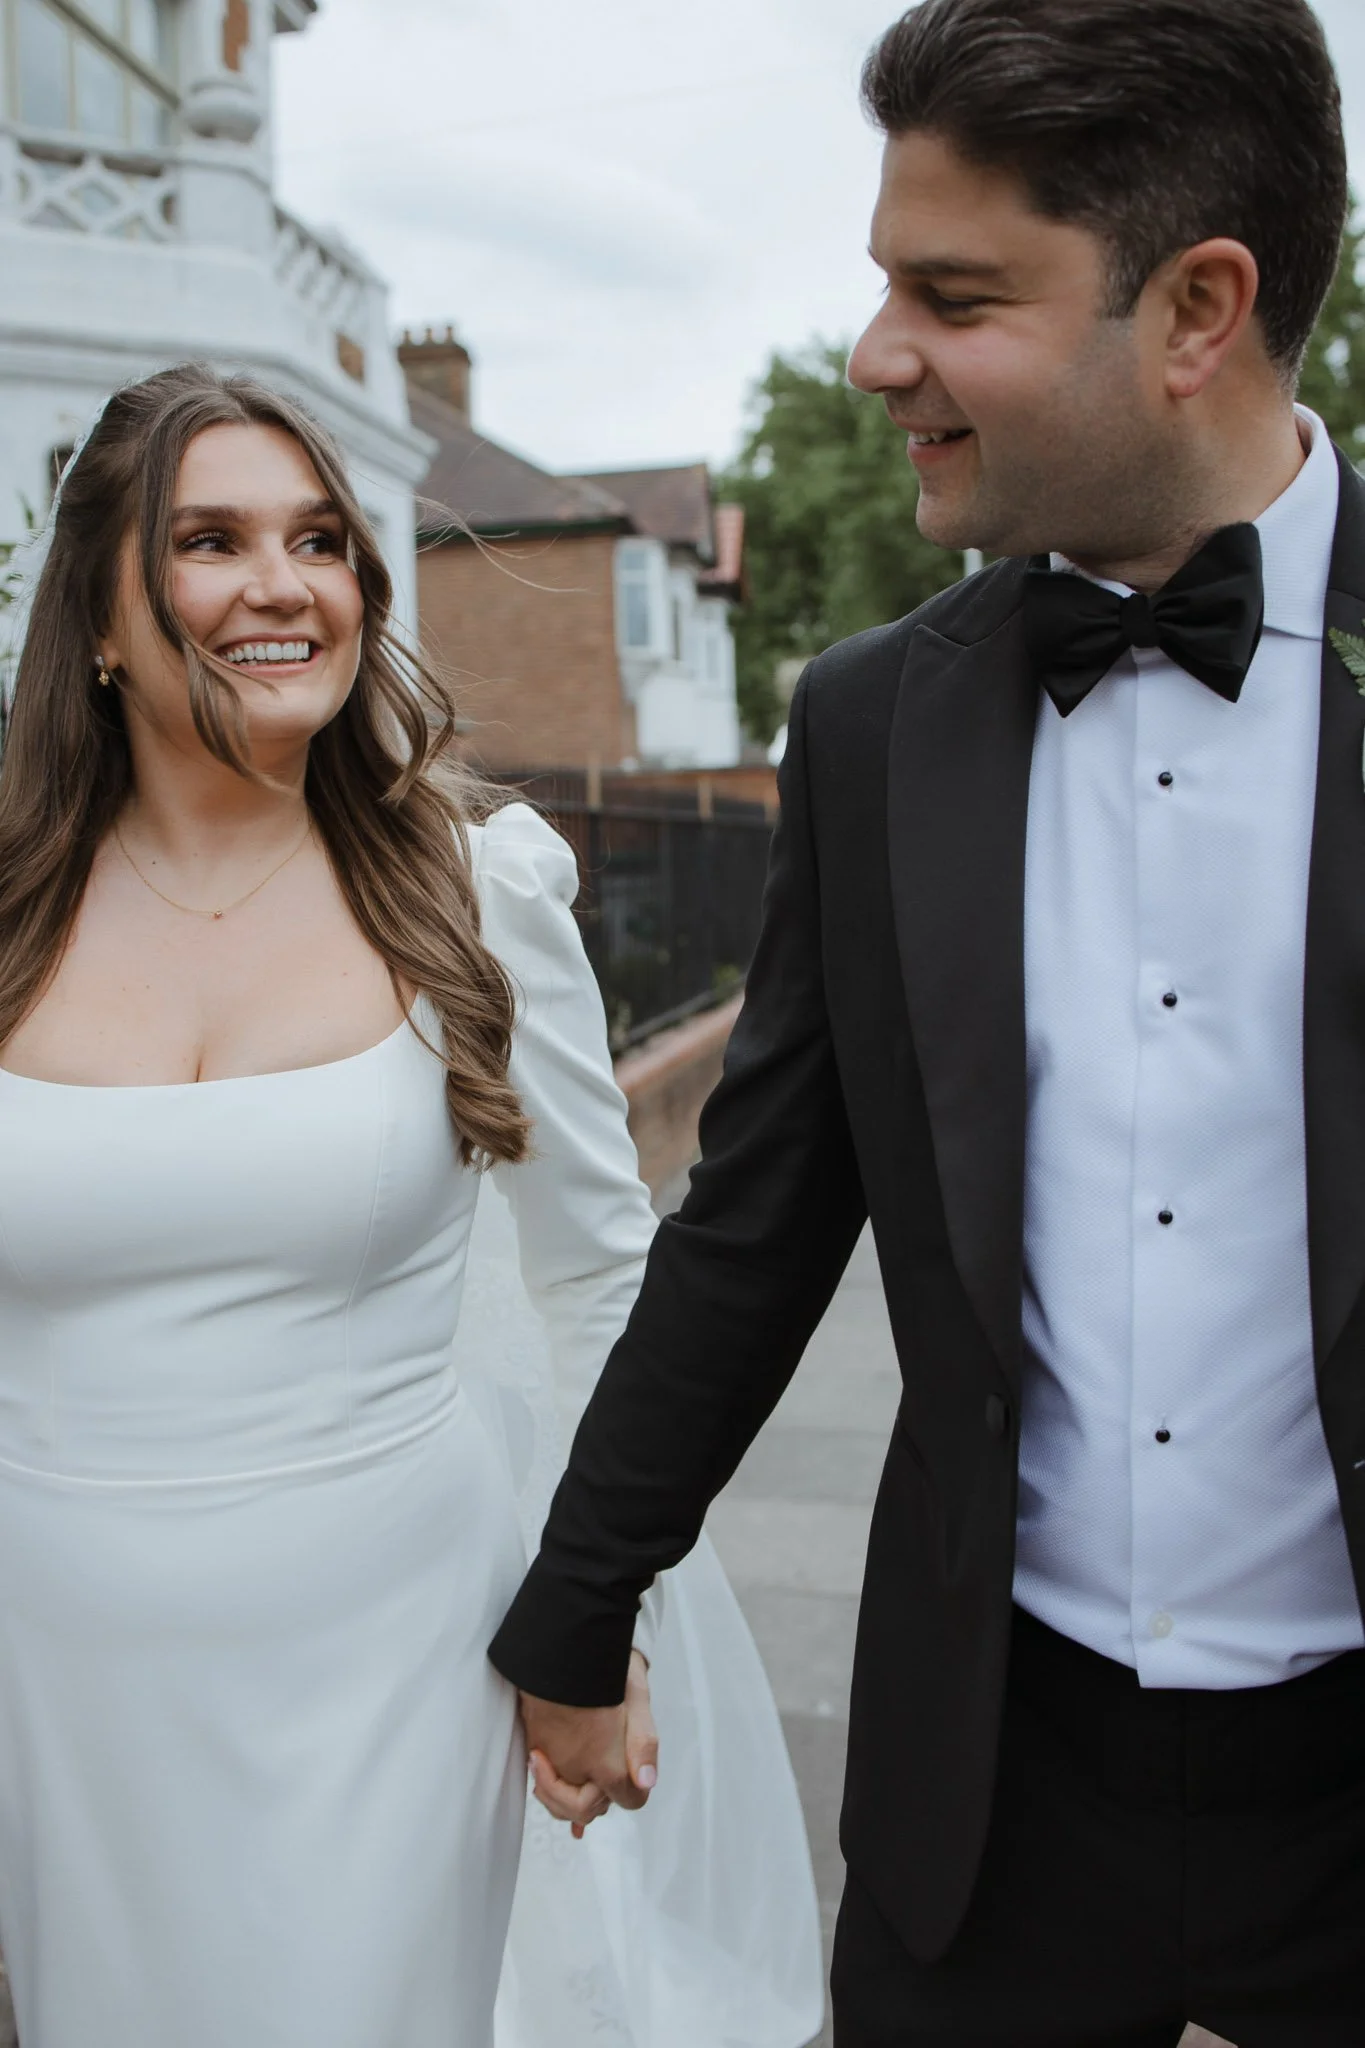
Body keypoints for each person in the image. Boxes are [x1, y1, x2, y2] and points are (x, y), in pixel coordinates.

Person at [489, 2, 1365, 2043]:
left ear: (1198, 309)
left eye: (952, 297)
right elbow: (762, 1209)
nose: (876, 354)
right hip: (993, 1783)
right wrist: (579, 1597)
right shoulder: (875, 718)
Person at [0, 362, 821, 2048]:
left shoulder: (472, 891)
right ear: (95, 617)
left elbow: (600, 1286)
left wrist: (598, 1622)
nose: (284, 584)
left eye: (320, 540)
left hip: (395, 1656)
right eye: (210, 542)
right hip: (57, 1670)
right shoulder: (12, 913)